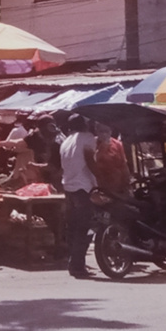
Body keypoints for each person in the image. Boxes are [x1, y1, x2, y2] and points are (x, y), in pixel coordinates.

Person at [60, 114, 97, 279]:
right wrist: (101, 180)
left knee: (74, 228)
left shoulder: (65, 141)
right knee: (84, 228)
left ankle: (73, 262)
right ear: (84, 125)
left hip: (69, 187)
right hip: (84, 188)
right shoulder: (88, 138)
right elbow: (91, 161)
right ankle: (78, 266)